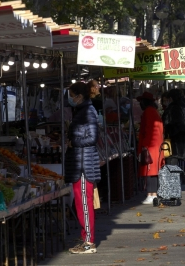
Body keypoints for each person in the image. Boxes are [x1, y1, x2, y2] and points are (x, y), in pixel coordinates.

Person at [65, 82, 101, 254]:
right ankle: (85, 237)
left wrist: (73, 143)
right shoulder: (82, 111)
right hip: (80, 163)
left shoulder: (87, 111)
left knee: (84, 204)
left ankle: (89, 242)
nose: (70, 99)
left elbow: (93, 138)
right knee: (81, 204)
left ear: (79, 96)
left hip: (84, 165)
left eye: (72, 95)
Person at [136, 92, 164, 205]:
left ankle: (151, 194)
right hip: (155, 145)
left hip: (150, 145)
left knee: (150, 170)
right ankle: (153, 194)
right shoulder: (153, 111)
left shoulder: (148, 112)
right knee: (153, 171)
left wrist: (144, 147)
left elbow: (148, 131)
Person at [162, 89, 185, 158]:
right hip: (183, 137)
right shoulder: (184, 106)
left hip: (174, 138)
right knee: (181, 158)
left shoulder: (172, 108)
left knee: (175, 158)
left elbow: (165, 121)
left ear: (171, 98)